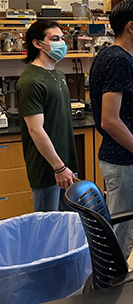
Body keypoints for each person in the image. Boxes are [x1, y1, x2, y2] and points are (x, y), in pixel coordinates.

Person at [89, 0, 133, 260]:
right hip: (126, 162)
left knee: (114, 230)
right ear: (132, 27)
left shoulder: (108, 55)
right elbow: (110, 120)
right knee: (120, 237)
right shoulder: (119, 60)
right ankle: (112, 290)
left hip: (117, 158)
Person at [16, 20, 76, 211]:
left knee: (66, 226)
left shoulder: (58, 75)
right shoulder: (31, 81)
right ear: (37, 43)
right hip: (48, 169)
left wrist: (65, 166)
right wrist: (58, 167)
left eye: (62, 38)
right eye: (55, 39)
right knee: (47, 230)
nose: (62, 43)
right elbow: (35, 130)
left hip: (66, 165)